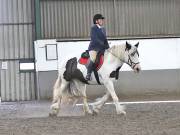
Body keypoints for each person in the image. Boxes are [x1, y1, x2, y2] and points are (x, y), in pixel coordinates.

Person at [86, 14, 109, 81]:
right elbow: (94, 38)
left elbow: (105, 39)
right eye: (100, 19)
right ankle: (88, 74)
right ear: (96, 21)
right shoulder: (93, 28)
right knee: (93, 59)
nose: (102, 21)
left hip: (102, 49)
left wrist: (108, 47)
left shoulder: (103, 29)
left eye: (102, 19)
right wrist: (102, 44)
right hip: (94, 48)